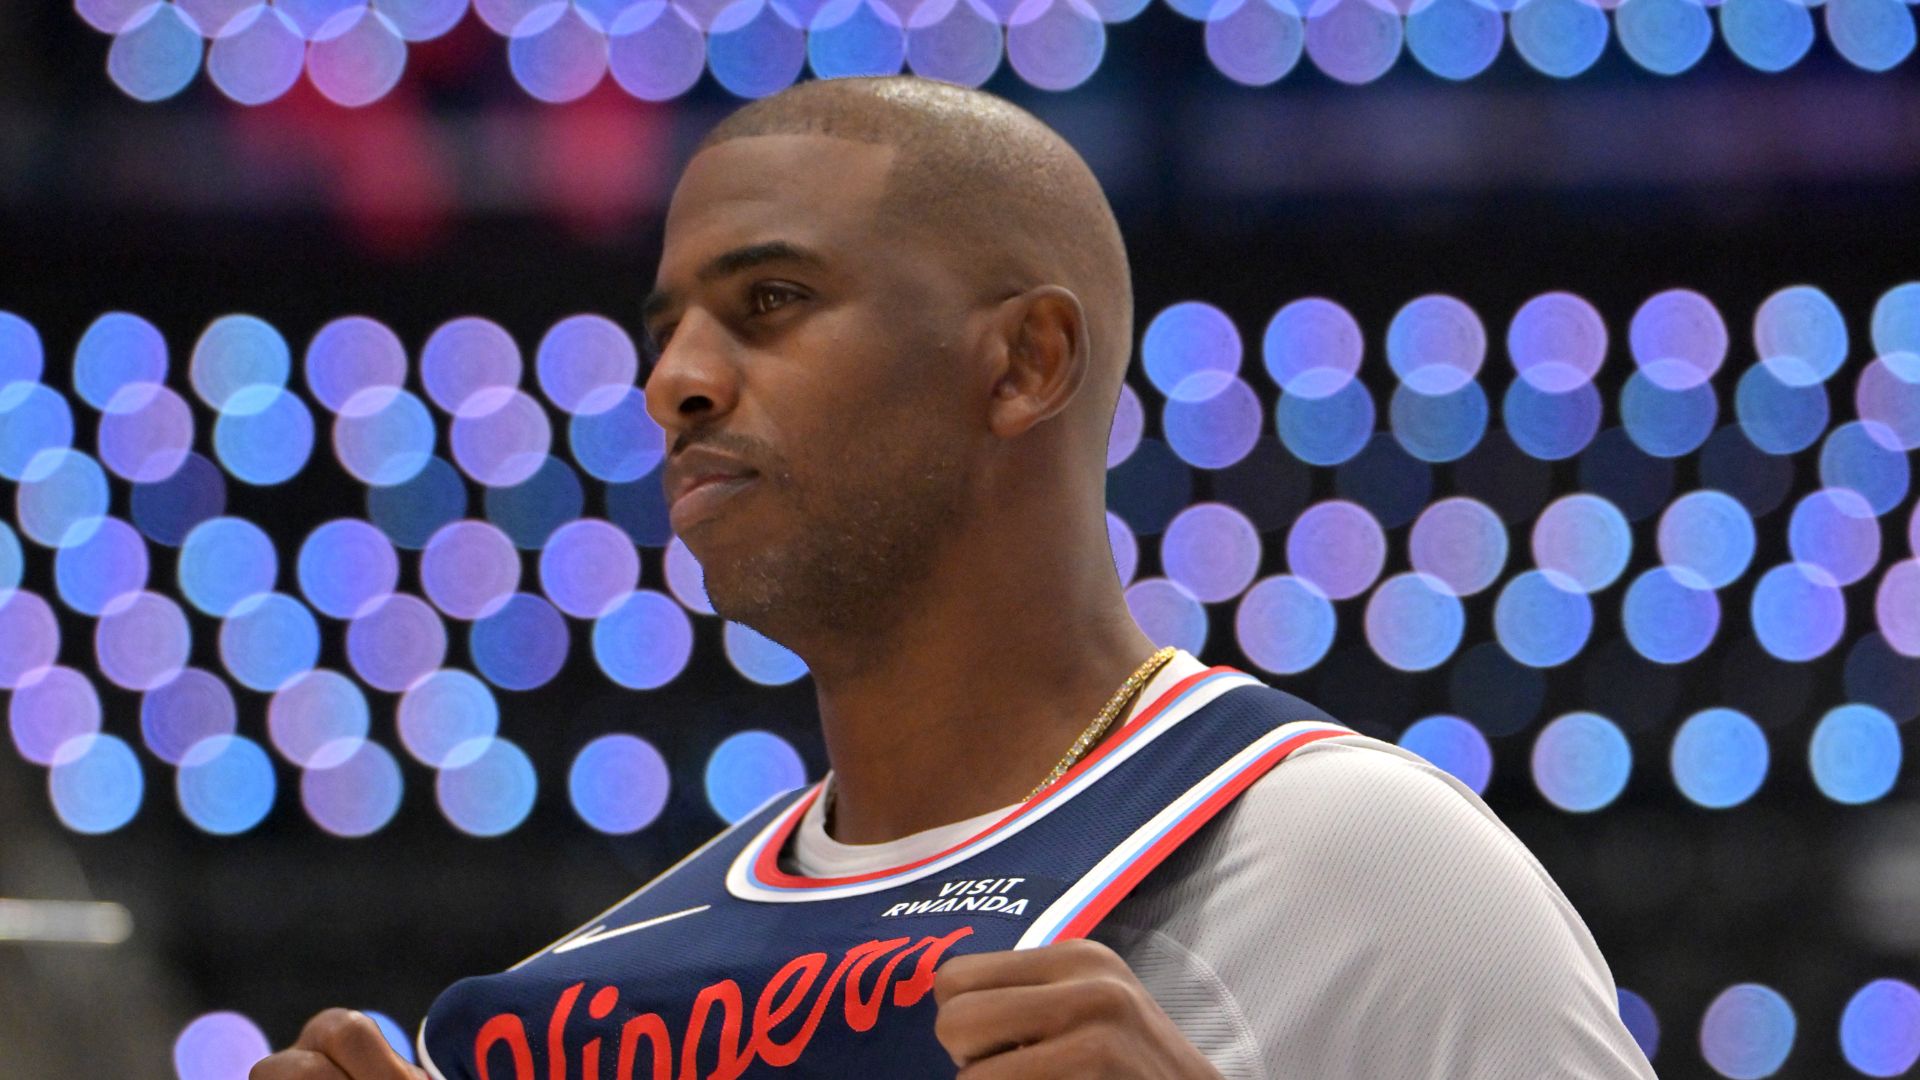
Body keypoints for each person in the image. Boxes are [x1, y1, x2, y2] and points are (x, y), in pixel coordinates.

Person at [253, 75, 1656, 1080]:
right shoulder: (603, 987)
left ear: (1027, 362)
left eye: (770, 304)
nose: (674, 380)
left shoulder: (1358, 866)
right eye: (666, 325)